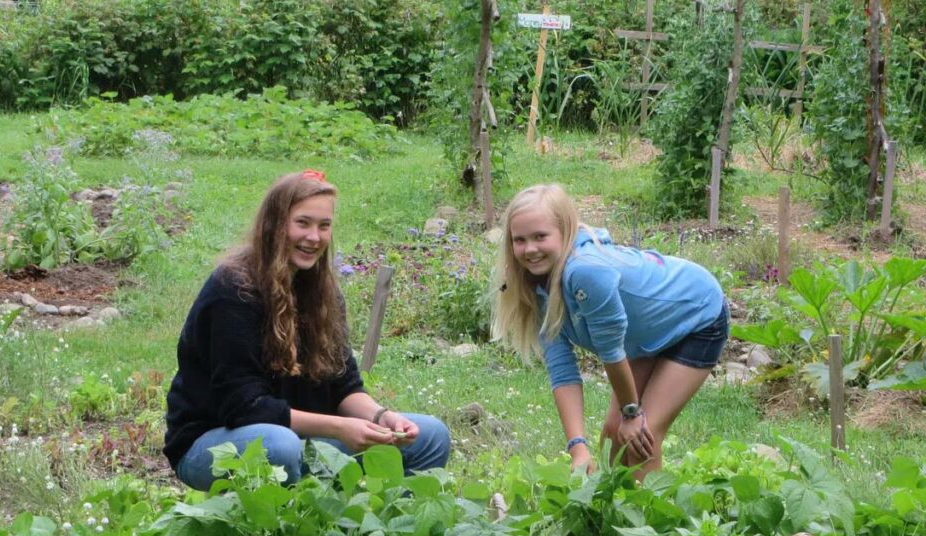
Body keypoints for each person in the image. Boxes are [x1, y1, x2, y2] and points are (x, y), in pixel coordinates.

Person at [164, 170, 450, 490]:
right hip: (216, 443)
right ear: (274, 225)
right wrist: (341, 428)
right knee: (279, 447)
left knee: (431, 436)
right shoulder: (232, 290)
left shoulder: (324, 291)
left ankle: (371, 531)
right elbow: (244, 407)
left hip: (305, 439)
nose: (314, 237)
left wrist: (382, 417)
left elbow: (344, 386)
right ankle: (279, 534)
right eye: (303, 223)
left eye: (323, 226)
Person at [491, 184, 728, 479]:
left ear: (565, 232)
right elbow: (562, 368)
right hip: (646, 335)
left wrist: (632, 414)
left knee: (643, 437)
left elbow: (611, 351)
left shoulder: (586, 273)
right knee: (612, 437)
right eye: (520, 240)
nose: (530, 249)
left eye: (540, 236)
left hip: (696, 313)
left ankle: (649, 523)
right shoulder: (532, 284)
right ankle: (610, 519)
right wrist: (577, 446)